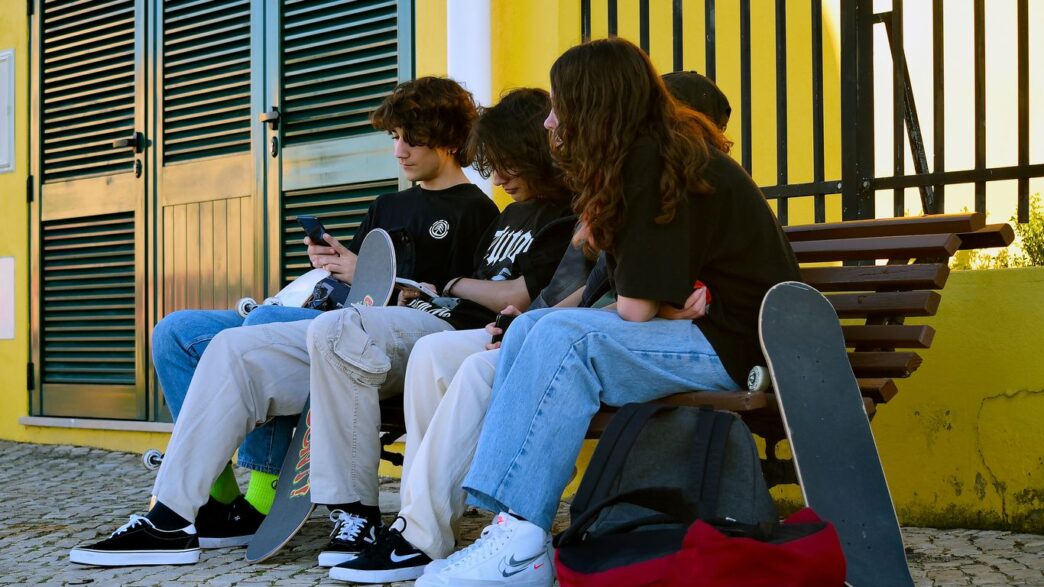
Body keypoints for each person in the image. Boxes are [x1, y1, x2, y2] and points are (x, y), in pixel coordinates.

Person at [68, 87, 574, 568]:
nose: (498, 172)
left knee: (337, 332)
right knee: (232, 348)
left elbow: (515, 296)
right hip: (388, 316)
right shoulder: (509, 214)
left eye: (506, 161)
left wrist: (443, 283)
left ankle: (355, 516)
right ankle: (169, 520)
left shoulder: (547, 214)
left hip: (437, 329)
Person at [420, 38, 801, 587]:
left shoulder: (657, 158)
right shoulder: (653, 153)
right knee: (531, 325)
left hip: (740, 349)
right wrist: (670, 306)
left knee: (564, 338)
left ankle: (521, 544)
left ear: (594, 104)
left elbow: (633, 306)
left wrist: (666, 307)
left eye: (560, 105)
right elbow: (647, 293)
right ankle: (511, 527)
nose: (550, 122)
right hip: (709, 332)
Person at [327, 71, 729, 585]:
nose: (552, 124)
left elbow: (651, 302)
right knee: (463, 362)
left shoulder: (669, 184)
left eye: (560, 113)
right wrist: (537, 319)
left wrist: (537, 317)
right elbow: (604, 293)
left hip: (669, 343)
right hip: (599, 330)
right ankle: (426, 529)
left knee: (530, 347)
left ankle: (514, 534)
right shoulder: (631, 185)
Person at [145, 76, 498, 547]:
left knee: (264, 325)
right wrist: (333, 265)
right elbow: (351, 284)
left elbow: (450, 310)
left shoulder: (475, 210)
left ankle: (266, 491)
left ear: (450, 138)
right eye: (394, 137)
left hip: (373, 338)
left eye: (412, 137)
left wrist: (376, 279)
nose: (399, 150)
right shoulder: (386, 204)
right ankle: (217, 499)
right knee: (176, 330)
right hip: (328, 312)